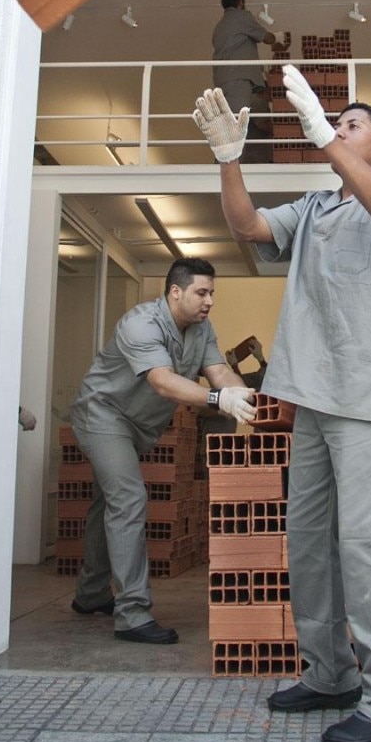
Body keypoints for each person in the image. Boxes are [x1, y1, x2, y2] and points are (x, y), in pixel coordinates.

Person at [193, 71, 371, 742]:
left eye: (354, 126)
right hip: (312, 398)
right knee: (310, 540)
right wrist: (228, 159)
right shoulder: (316, 207)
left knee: (370, 542)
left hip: (366, 395)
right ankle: (330, 675)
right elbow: (247, 226)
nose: (340, 130)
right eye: (336, 123)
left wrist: (322, 133)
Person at [68, 256, 257, 644]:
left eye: (212, 293)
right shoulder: (141, 323)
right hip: (103, 415)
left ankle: (90, 594)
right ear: (175, 291)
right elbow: (162, 381)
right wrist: (218, 399)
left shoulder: (201, 329)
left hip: (138, 425)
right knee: (129, 498)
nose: (209, 301)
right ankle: (132, 614)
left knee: (109, 504)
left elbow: (219, 372)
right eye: (201, 293)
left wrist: (245, 395)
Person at [212, 0, 285, 163]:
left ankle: (223, 166)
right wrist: (278, 38)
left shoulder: (219, 27)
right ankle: (227, 168)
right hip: (238, 79)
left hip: (223, 81)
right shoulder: (241, 17)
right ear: (240, 2)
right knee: (236, 128)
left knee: (229, 124)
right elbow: (265, 37)